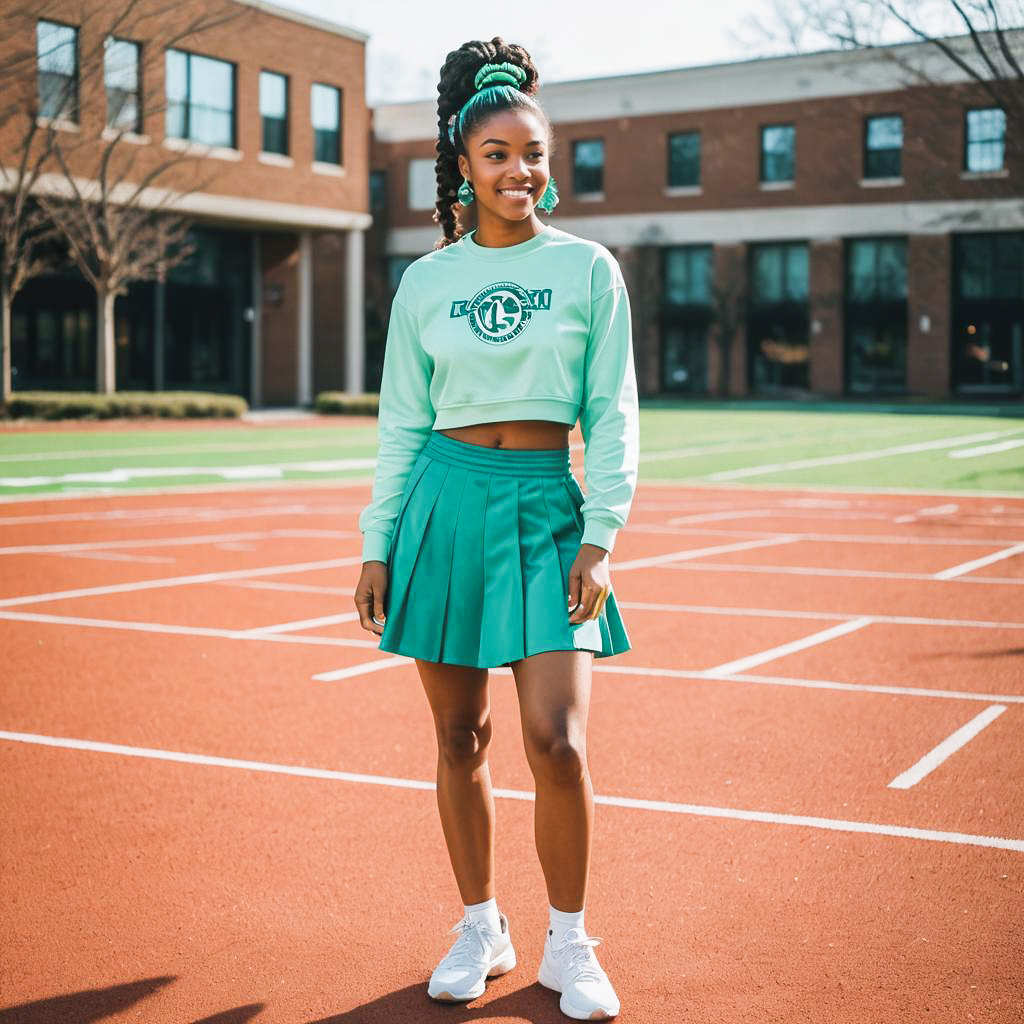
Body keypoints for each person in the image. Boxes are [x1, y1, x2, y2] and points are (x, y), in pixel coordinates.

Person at [353, 36, 640, 1022]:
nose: (520, 170)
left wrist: (599, 533)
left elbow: (612, 412)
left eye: (535, 153)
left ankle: (570, 942)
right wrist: (377, 542)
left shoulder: (588, 270)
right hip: (444, 500)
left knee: (556, 742)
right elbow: (398, 423)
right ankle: (481, 923)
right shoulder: (425, 283)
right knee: (458, 733)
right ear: (462, 167)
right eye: (498, 155)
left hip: (542, 507)